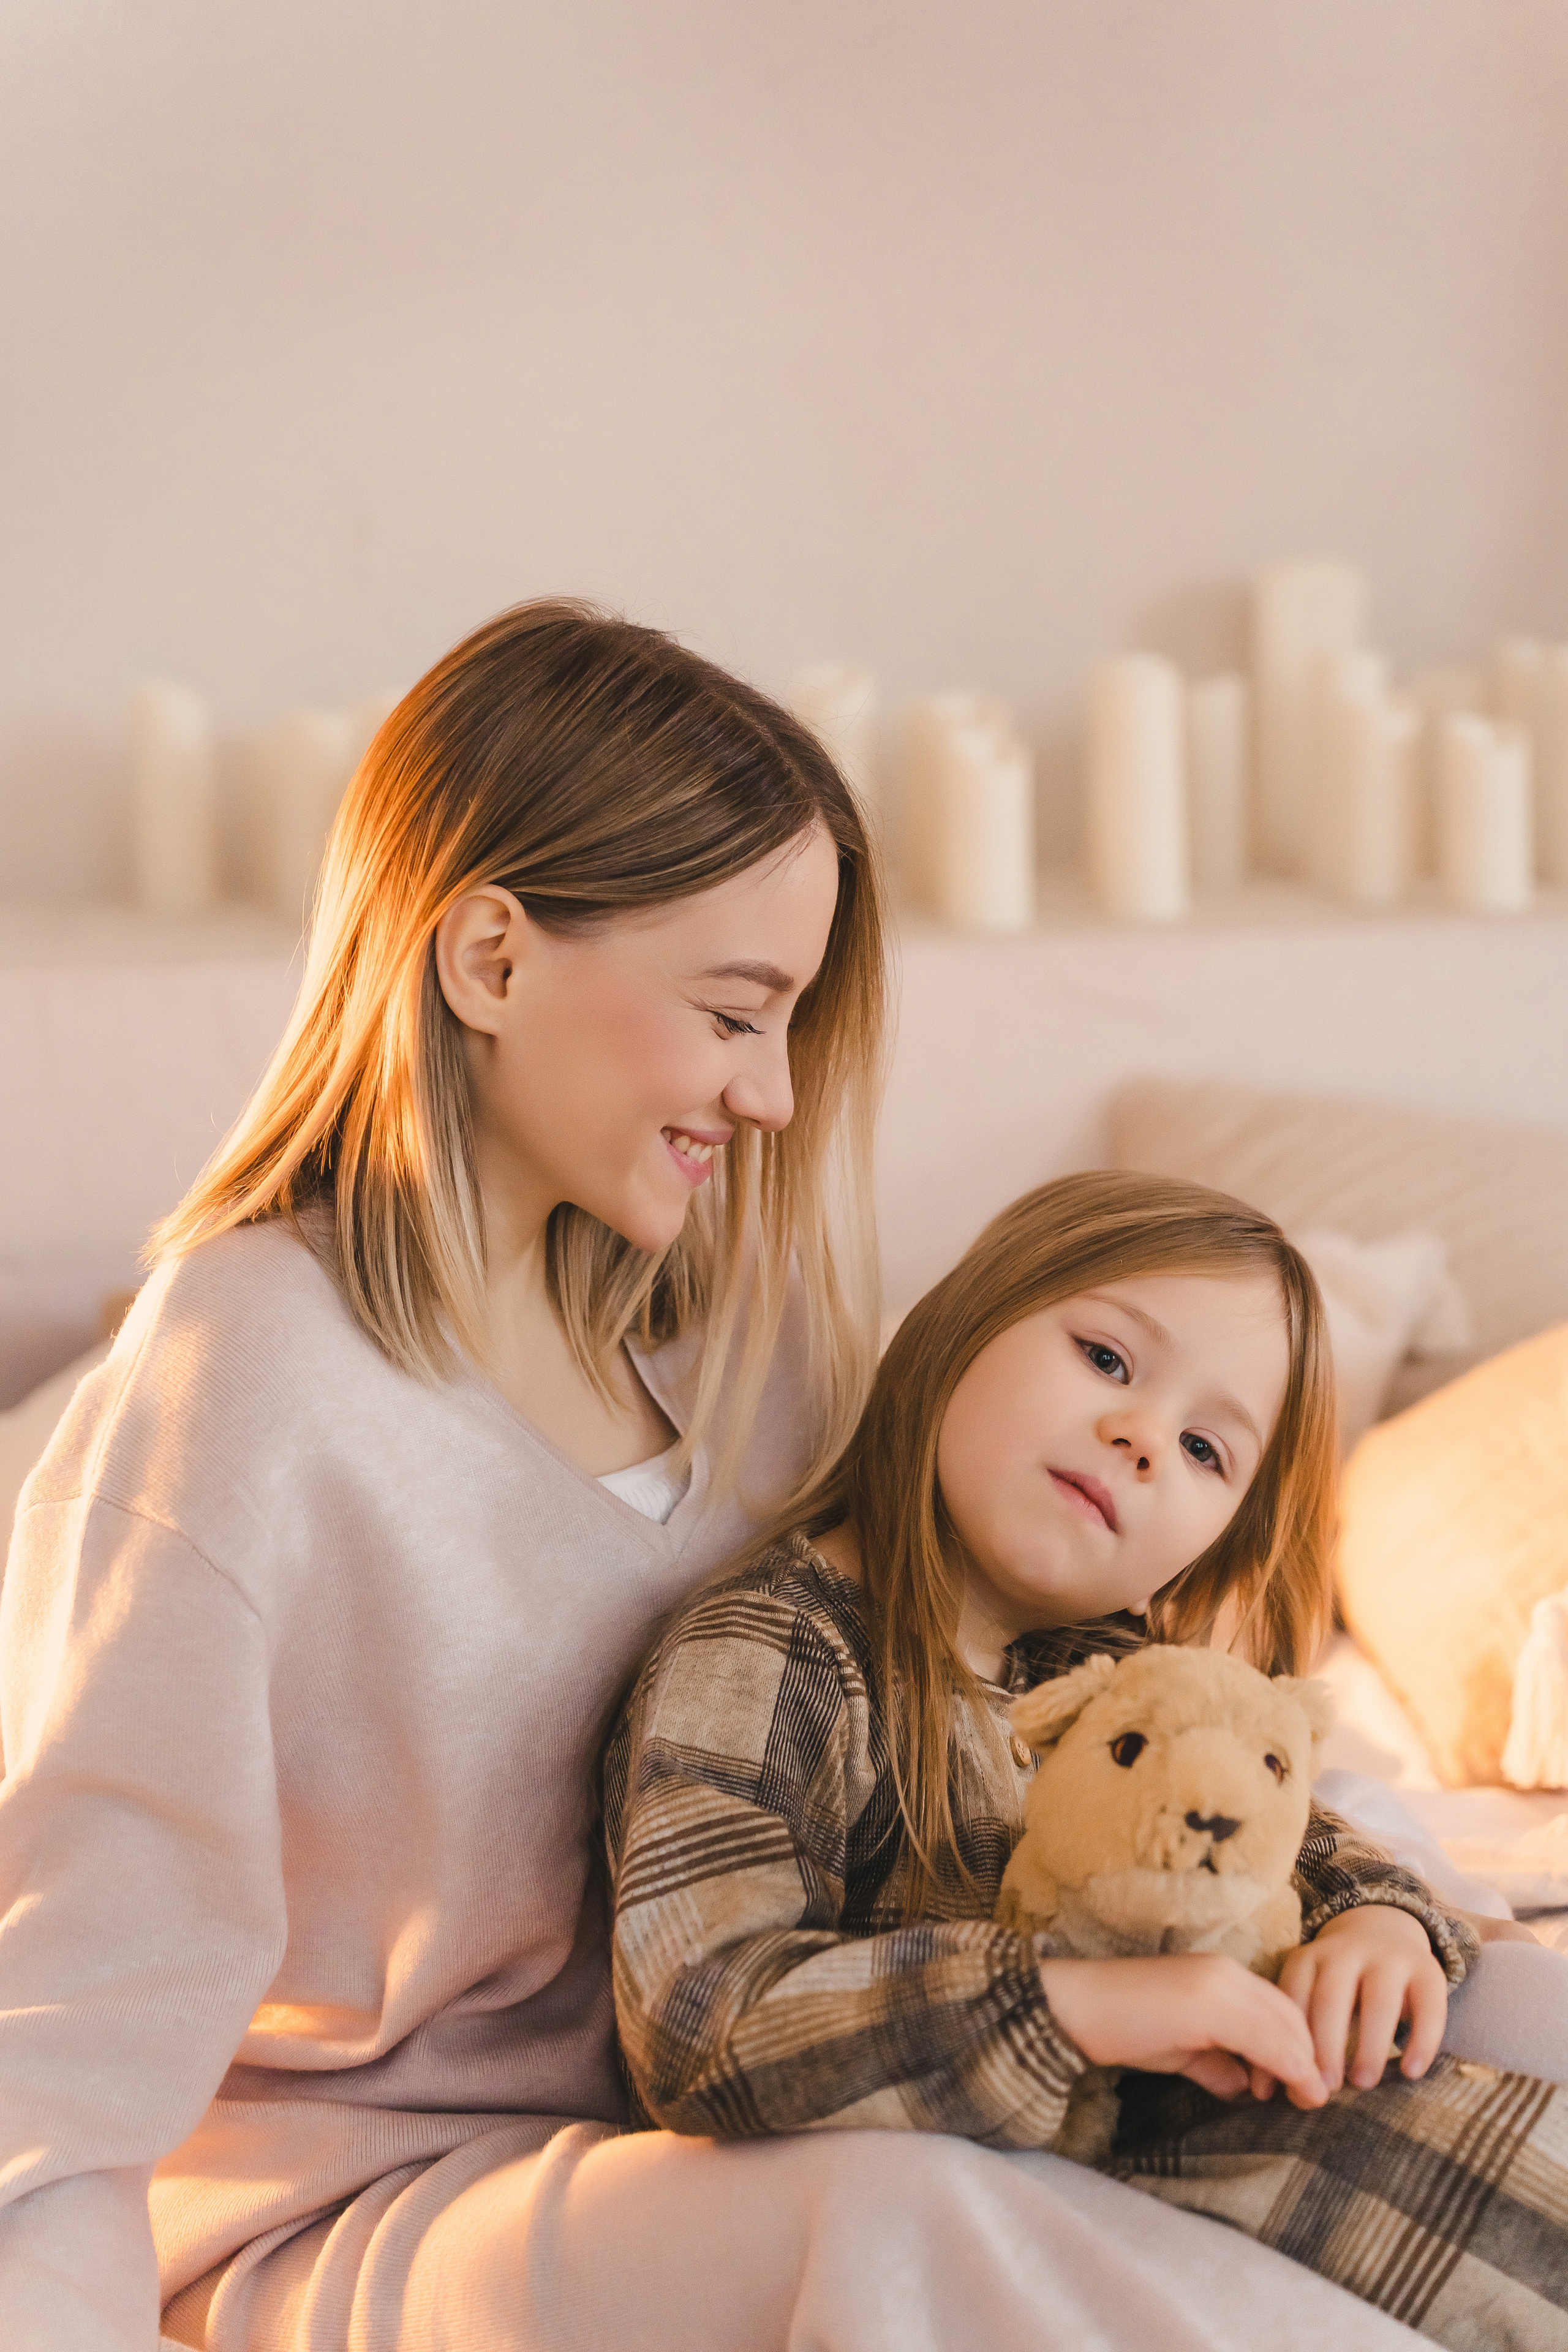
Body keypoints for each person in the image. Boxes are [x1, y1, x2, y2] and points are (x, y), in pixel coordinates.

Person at [0, 601, 1496, 2352]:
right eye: (734, 1013)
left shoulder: (746, 1350)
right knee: (906, 2216)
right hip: (377, 2198)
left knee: (1487, 2016)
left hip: (773, 2099)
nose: (775, 1095)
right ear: (489, 962)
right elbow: (72, 2013)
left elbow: (1057, 1705)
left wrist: (1377, 1912)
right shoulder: (240, 1377)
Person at [608, 1172, 1568, 2350]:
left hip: (1219, 2111)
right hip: (1036, 2177)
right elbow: (698, 2016)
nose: (1142, 1438)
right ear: (969, 1316)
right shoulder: (779, 1649)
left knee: (1507, 2009)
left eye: (1206, 1448)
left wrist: (1381, 1917)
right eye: (1108, 1359)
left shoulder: (1121, 1670)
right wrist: (1074, 2003)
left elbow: (1282, 1824)